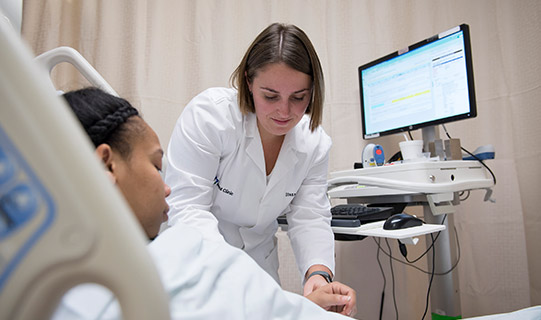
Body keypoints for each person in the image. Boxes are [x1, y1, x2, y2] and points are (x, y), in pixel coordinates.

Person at [53, 87, 357, 319]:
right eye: (157, 166)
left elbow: (310, 215)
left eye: (298, 97)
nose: (168, 188)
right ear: (107, 165)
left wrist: (314, 279)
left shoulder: (51, 281)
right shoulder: (181, 260)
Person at [165, 22, 339, 297]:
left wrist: (318, 273)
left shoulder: (314, 143)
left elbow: (310, 216)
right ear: (248, 81)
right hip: (199, 261)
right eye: (270, 96)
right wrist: (233, 274)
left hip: (260, 263)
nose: (284, 111)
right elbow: (187, 208)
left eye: (298, 97)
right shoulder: (210, 117)